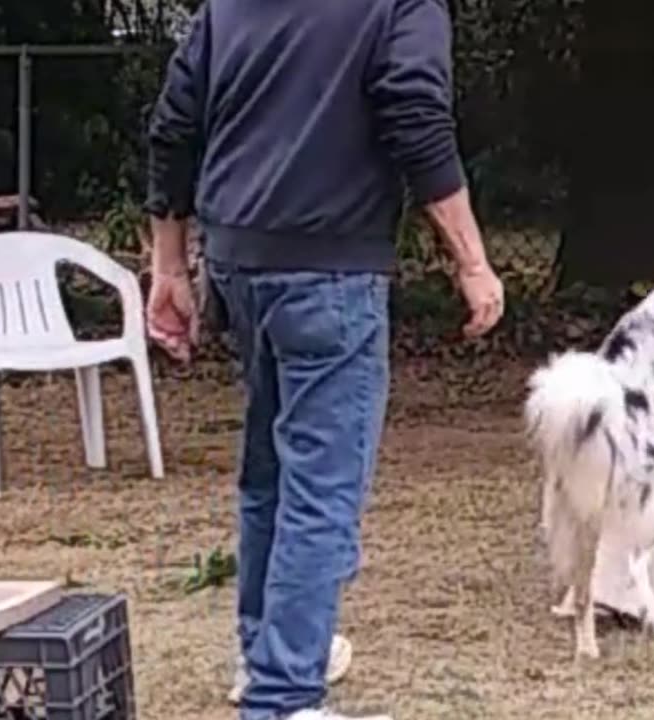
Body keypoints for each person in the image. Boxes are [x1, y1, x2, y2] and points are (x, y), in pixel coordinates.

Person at [143, 0, 504, 718]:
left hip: (240, 262)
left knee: (271, 475)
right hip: (332, 269)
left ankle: (266, 656)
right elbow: (414, 115)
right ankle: (282, 695)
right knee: (321, 486)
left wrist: (169, 266)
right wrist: (471, 260)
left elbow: (173, 126)